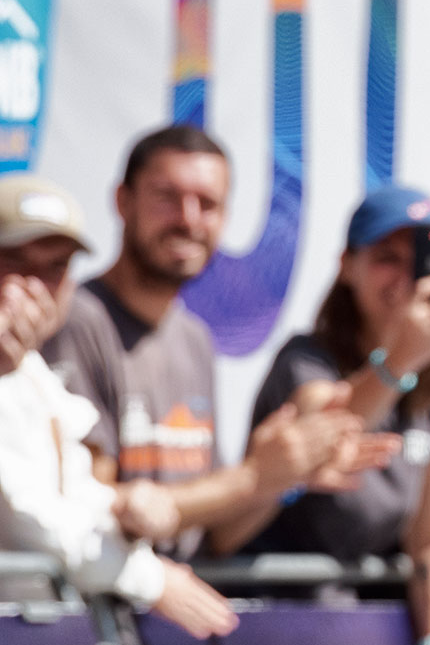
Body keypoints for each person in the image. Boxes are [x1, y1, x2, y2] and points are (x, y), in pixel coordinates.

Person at [45, 125, 389, 556]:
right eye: (167, 197)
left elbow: (215, 536)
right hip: (94, 615)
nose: (188, 219)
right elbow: (90, 509)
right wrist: (253, 478)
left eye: (207, 204)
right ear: (122, 201)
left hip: (171, 613)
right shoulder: (78, 319)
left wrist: (284, 479)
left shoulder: (194, 340)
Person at [218, 188, 430, 645]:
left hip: (363, 637)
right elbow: (326, 428)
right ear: (346, 266)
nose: (405, 277)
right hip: (267, 631)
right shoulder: (305, 358)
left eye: (422, 260)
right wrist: (401, 359)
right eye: (387, 256)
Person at [0, 178, 235, 638]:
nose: (33, 287)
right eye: (13, 261)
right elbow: (27, 515)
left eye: (56, 267)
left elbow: (63, 491)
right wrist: (151, 578)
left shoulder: (27, 370)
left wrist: (119, 503)